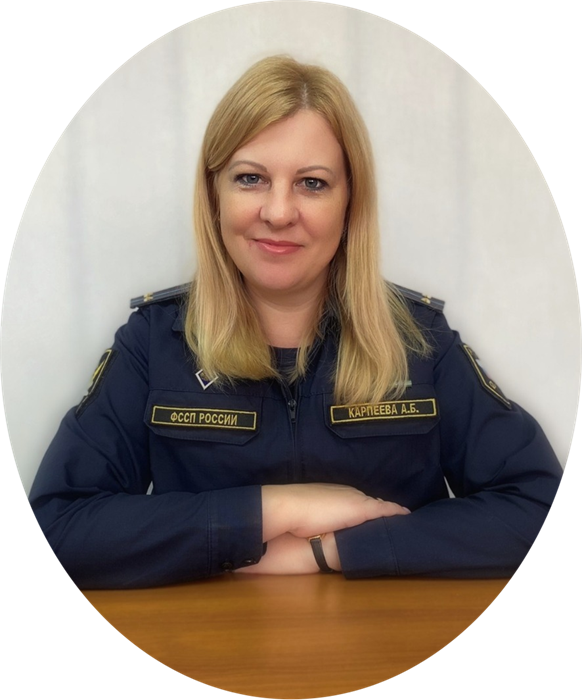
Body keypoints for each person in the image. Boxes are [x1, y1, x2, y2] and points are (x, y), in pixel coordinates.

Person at [29, 56, 563, 589]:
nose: (279, 212)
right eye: (250, 178)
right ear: (214, 196)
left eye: (312, 183)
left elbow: (535, 506)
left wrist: (329, 552)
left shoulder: (420, 341)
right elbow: (59, 526)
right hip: (209, 635)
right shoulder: (154, 341)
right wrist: (276, 509)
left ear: (350, 202)